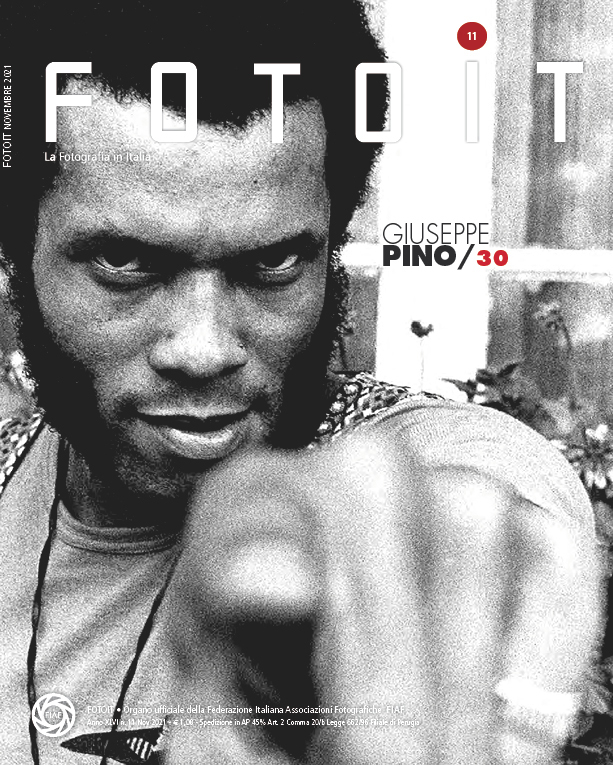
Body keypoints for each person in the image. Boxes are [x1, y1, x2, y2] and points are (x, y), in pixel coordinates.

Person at [0, 1, 600, 764]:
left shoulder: (435, 455)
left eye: (272, 263)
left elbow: (475, 513)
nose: (203, 348)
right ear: (16, 254)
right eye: (124, 261)